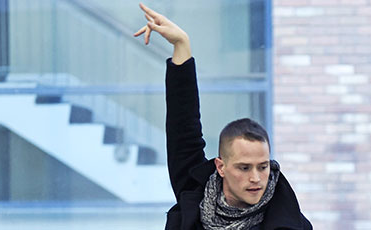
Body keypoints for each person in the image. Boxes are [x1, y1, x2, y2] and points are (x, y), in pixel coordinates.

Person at [133, 3, 313, 230]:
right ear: (221, 167)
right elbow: (183, 131)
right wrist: (181, 45)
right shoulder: (196, 196)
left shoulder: (289, 223)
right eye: (244, 168)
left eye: (263, 166)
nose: (256, 178)